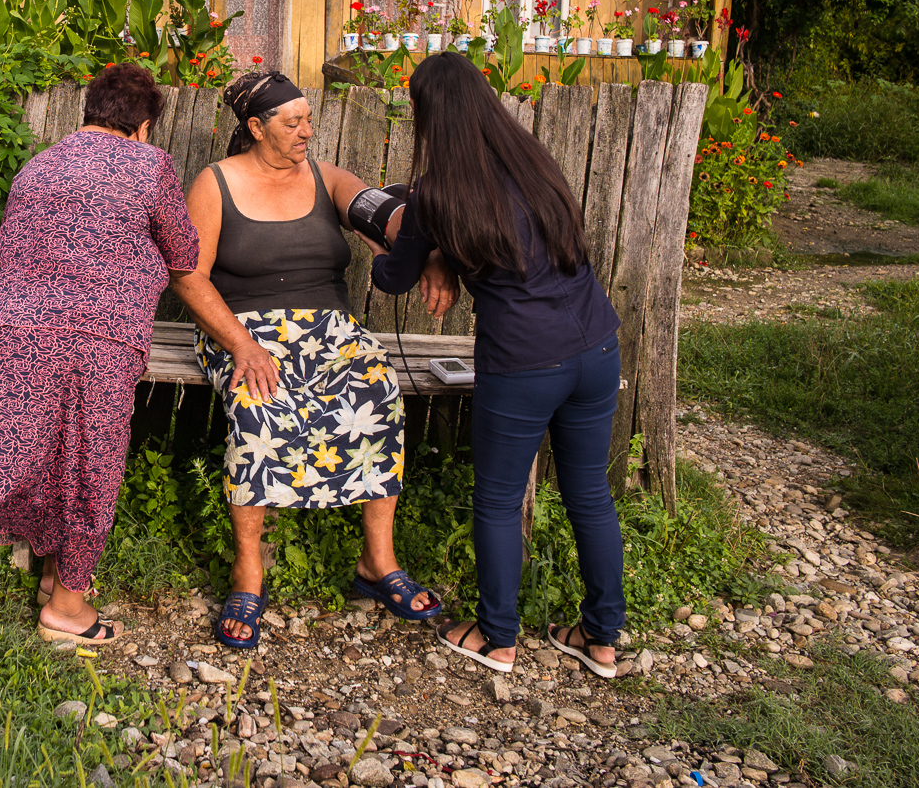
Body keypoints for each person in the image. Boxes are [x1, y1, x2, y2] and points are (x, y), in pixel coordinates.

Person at [0, 63, 199, 646]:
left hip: (10, 326)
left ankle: (53, 578)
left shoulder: (37, 166)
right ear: (142, 125)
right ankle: (65, 606)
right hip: (97, 332)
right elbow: (183, 253)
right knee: (91, 465)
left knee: (18, 457)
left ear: (90, 111)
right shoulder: (150, 165)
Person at [371, 51, 624, 678]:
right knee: (591, 495)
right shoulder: (534, 161)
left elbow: (392, 277)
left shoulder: (438, 194)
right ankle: (601, 639)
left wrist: (411, 243)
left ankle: (497, 636)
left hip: (523, 364)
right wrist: (445, 252)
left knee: (498, 499)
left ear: (430, 116)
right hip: (596, 346)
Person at [172, 69, 446, 650]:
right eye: (292, 122)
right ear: (255, 126)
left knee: (376, 387)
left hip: (329, 328)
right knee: (257, 407)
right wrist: (243, 346)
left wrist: (427, 251)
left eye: (308, 119)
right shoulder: (215, 183)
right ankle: (249, 573)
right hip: (243, 330)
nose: (306, 132)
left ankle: (378, 563)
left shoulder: (327, 178)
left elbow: (387, 217)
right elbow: (189, 276)